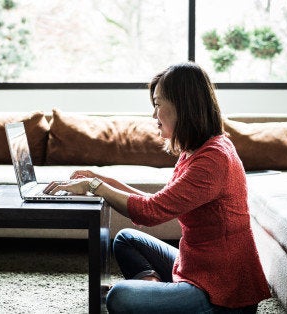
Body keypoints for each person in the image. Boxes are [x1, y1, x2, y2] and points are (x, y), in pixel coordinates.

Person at [46, 62, 271, 313]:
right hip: (196, 267)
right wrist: (100, 178)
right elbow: (157, 201)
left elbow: (150, 212)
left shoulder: (213, 159)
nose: (154, 115)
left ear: (183, 106)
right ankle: (155, 287)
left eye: (157, 104)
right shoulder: (195, 150)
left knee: (119, 297)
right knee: (126, 239)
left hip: (221, 293)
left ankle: (159, 295)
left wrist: (94, 185)